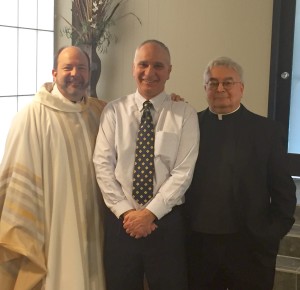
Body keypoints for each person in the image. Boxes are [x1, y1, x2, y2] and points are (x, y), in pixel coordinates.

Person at [93, 39, 199, 290]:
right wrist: (128, 213)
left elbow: (183, 172)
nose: (149, 72)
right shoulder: (113, 111)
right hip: (121, 222)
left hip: (165, 222)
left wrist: (150, 213)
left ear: (169, 71)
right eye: (143, 64)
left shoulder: (184, 113)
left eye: (158, 65)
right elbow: (103, 166)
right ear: (133, 68)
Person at [185, 56, 297, 290]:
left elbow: (284, 192)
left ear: (241, 88)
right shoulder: (189, 127)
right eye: (213, 83)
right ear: (205, 88)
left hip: (250, 247)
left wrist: (270, 235)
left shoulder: (266, 131)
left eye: (228, 82)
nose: (220, 88)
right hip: (199, 247)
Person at [0, 46, 106, 290]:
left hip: (94, 220)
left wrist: (170, 103)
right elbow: (18, 180)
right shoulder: (31, 116)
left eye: (81, 68)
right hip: (52, 224)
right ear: (54, 73)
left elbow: (133, 112)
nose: (74, 73)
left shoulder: (98, 112)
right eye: (67, 67)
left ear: (89, 74)